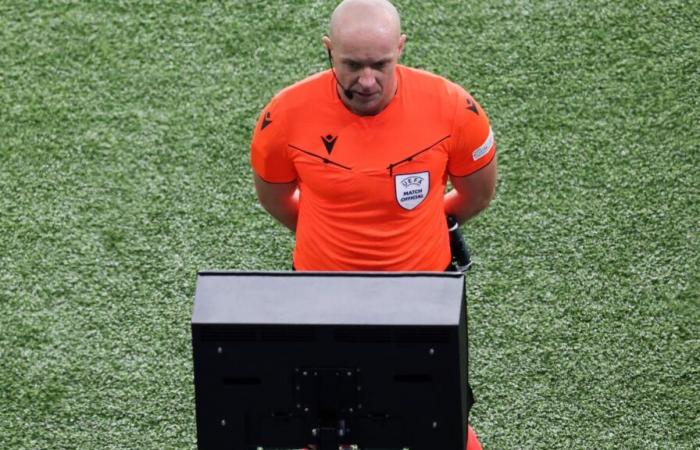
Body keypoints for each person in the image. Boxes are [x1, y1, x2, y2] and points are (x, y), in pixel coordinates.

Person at [250, 0, 496, 447]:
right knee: (316, 426)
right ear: (328, 50)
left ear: (400, 48)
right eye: (352, 64)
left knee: (438, 420)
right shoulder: (284, 116)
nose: (367, 80)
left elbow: (477, 193)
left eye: (381, 64)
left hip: (424, 298)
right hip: (320, 296)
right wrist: (329, 239)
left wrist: (423, 228)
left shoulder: (454, 110)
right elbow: (276, 197)